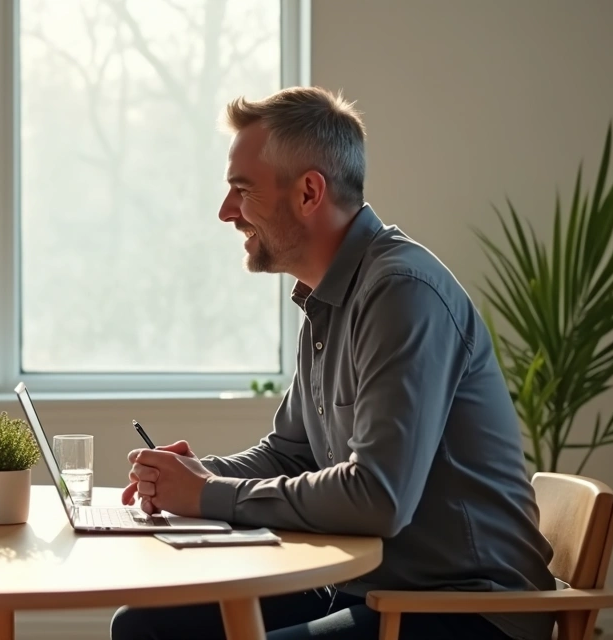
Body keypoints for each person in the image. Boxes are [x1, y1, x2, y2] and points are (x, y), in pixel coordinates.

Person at [112, 87, 556, 640]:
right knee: (143, 628)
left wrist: (206, 495)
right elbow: (290, 452)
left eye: (242, 190)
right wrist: (197, 475)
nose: (226, 212)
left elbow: (378, 498)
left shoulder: (401, 293)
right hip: (373, 588)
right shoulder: (327, 300)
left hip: (464, 609)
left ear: (309, 192)